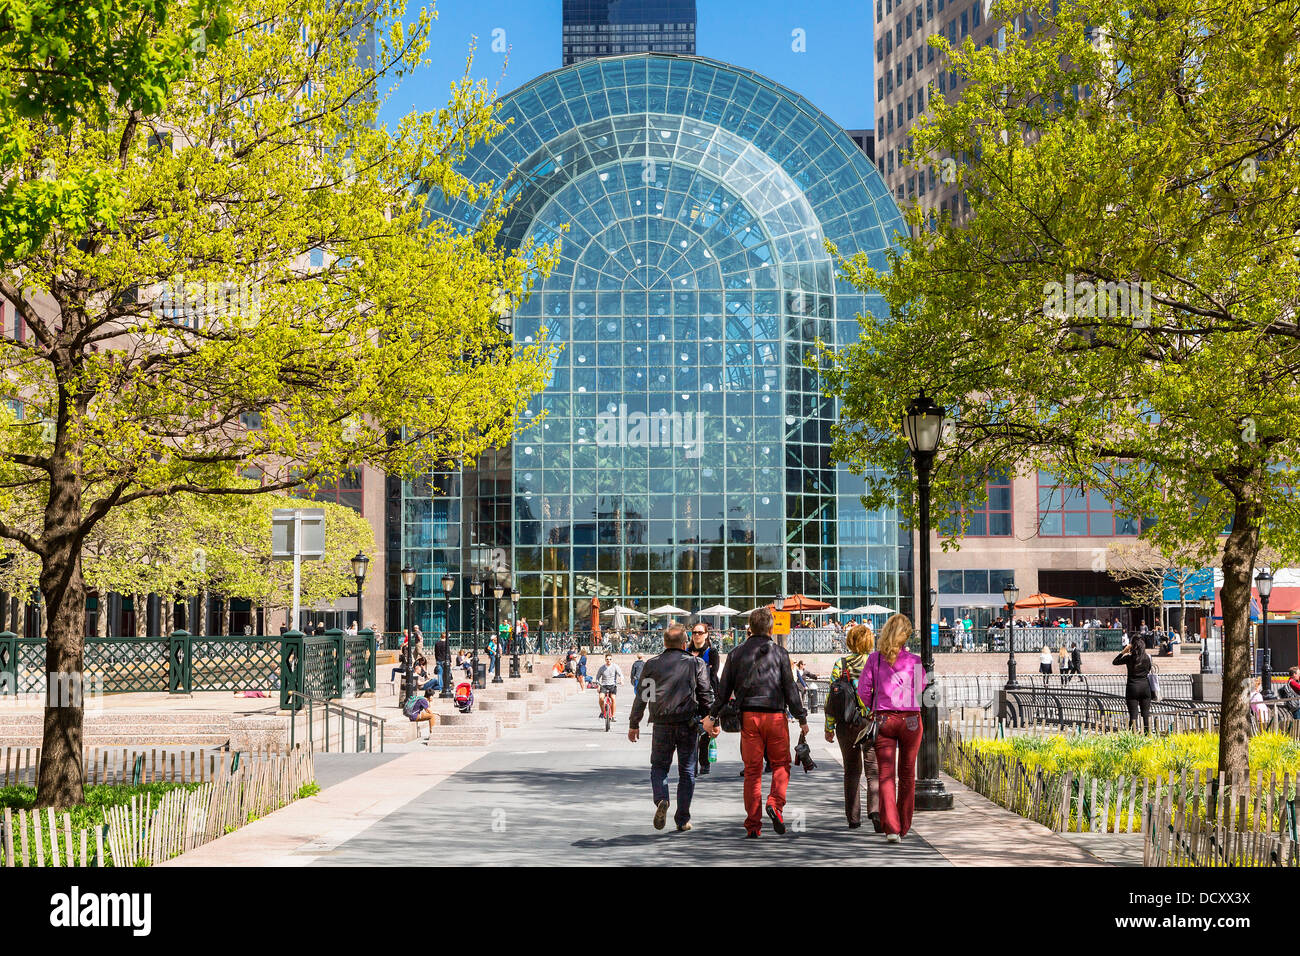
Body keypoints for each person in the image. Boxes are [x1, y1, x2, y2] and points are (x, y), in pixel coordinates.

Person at [702, 607, 809, 839]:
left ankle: (753, 825)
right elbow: (790, 689)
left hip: (749, 717)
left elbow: (723, 691)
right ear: (770, 627)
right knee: (781, 764)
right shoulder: (780, 653)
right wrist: (801, 717)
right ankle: (775, 803)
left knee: (752, 771)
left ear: (749, 627)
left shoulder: (736, 653)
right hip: (776, 716)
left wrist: (712, 716)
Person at [628, 623, 714, 832]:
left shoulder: (652, 664)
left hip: (661, 724)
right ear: (685, 643)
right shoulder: (696, 663)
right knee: (687, 772)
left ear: (664, 643)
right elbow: (705, 695)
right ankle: (682, 819)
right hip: (688, 724)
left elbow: (643, 696)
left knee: (659, 767)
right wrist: (712, 720)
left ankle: (661, 799)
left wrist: (634, 724)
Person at [858, 613, 926, 844]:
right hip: (910, 720)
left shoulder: (875, 660)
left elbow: (863, 691)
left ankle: (892, 828)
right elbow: (921, 688)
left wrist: (874, 706)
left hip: (884, 719)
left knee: (886, 775)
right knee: (907, 774)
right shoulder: (915, 661)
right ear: (906, 635)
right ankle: (904, 825)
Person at [824, 624, 881, 831]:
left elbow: (832, 698)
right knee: (873, 770)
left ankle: (853, 818)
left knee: (851, 770)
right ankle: (875, 810)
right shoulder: (875, 662)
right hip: (870, 722)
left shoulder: (841, 663)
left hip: (846, 723)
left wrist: (829, 727)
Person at [688, 624, 721, 775]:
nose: (696, 635)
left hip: (708, 695)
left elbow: (713, 674)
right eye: (694, 632)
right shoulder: (687, 652)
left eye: (700, 633)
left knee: (707, 731)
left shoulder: (711, 652)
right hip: (690, 696)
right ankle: (691, 764)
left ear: (706, 635)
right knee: (690, 731)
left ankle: (704, 762)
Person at [1113, 639, 1153, 733]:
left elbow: (1115, 662)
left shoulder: (1129, 658)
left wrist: (1123, 652)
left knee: (1133, 715)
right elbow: (1149, 669)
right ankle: (1147, 734)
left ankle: (1133, 735)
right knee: (1146, 714)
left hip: (1132, 687)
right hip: (1145, 687)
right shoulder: (1147, 658)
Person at [594, 654, 624, 719]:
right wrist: (598, 685)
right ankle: (602, 712)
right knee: (601, 698)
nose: (608, 661)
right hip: (604, 685)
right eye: (607, 659)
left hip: (612, 685)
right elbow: (597, 677)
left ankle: (613, 716)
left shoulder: (615, 666)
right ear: (605, 659)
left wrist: (621, 680)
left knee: (613, 698)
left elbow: (621, 674)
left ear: (611, 659)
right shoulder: (602, 668)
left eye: (610, 659)